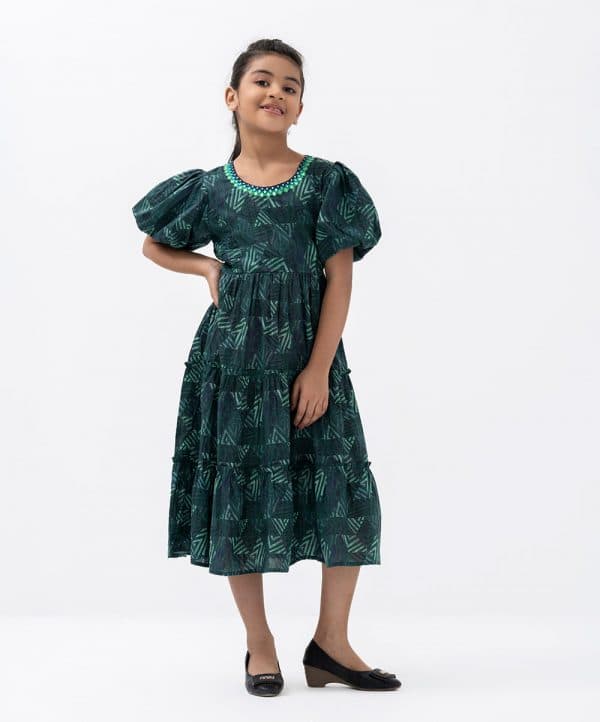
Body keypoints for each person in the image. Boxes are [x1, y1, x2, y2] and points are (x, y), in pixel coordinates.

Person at [131, 38, 401, 696]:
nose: (276, 91)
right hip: (233, 365)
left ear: (301, 108)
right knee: (242, 494)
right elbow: (153, 244)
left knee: (344, 491)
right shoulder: (208, 189)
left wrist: (318, 368)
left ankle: (331, 644)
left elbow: (340, 279)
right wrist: (205, 266)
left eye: (290, 86)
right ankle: (260, 643)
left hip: (310, 358)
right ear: (233, 97)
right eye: (262, 80)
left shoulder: (326, 182)